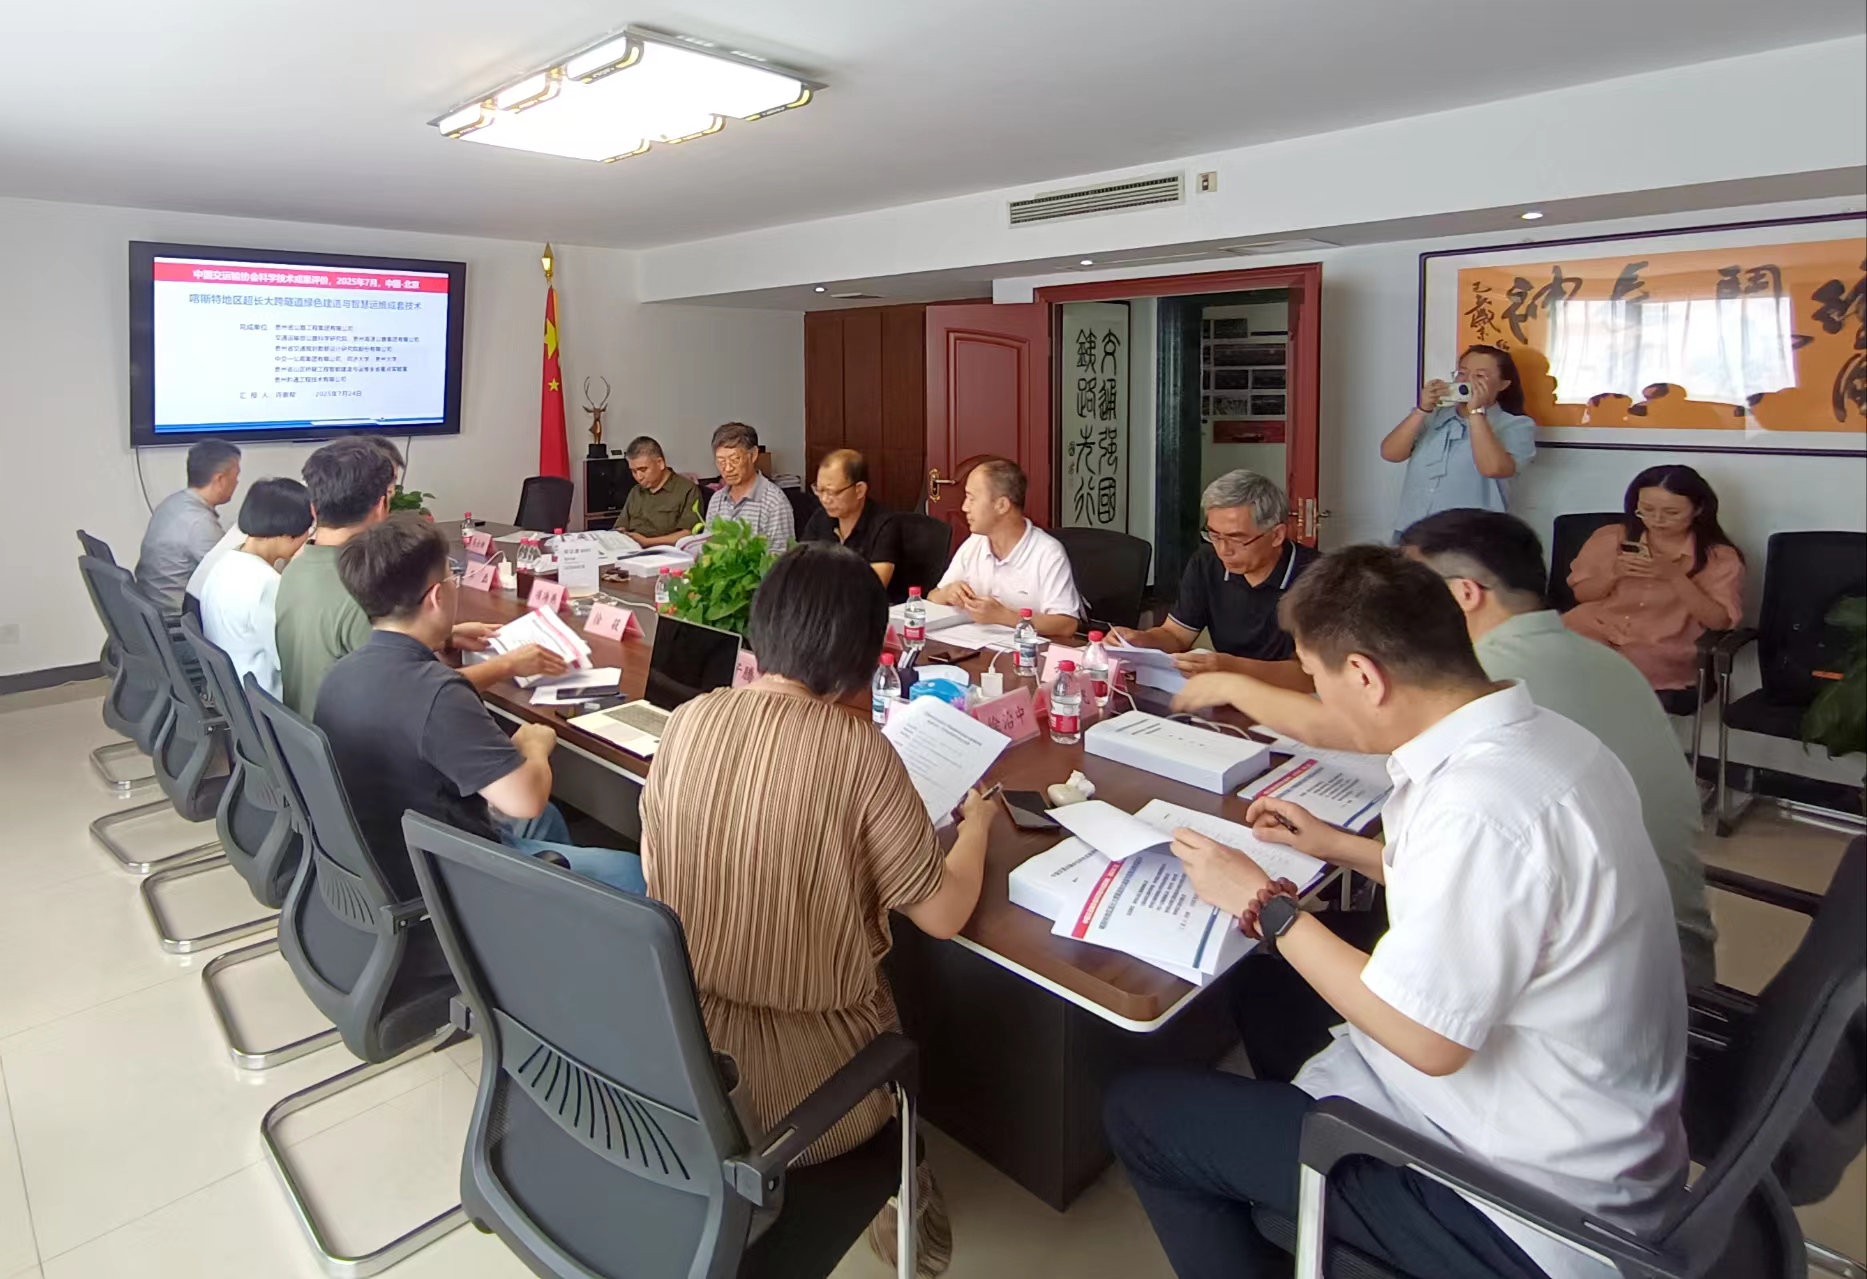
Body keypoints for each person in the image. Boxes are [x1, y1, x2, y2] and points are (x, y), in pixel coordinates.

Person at [1107, 545, 1686, 1279]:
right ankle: (1305, 1193)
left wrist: (1268, 907)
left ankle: (1326, 1195)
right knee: (1262, 983)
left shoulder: (1477, 808)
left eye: (1315, 678)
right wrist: (1334, 845)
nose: (1318, 700)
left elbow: (1427, 1040)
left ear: (1363, 676)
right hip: (1576, 1125)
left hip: (1520, 1206)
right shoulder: (1548, 741)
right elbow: (1497, 896)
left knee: (1139, 1113)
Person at [642, 543, 1000, 1278]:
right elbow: (942, 914)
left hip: (682, 1052)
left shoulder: (689, 720)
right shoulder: (858, 750)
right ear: (865, 655)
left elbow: (656, 870)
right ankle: (901, 1197)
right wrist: (979, 829)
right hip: (810, 1087)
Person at [1399, 509, 1718, 988]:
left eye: (1408, 595)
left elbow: (1347, 729)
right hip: (1669, 951)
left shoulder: (1485, 676)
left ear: (1464, 594)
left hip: (1606, 983)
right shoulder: (1608, 661)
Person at [316, 515, 645, 894]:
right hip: (445, 877)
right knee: (631, 871)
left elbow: (410, 701)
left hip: (379, 852)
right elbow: (526, 800)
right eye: (452, 578)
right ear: (437, 597)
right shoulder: (439, 695)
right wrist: (534, 747)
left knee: (547, 821)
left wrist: (446, 639)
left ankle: (557, 910)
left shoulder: (341, 674)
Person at [276, 438, 564, 714]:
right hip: (356, 741)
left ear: (313, 509)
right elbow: (414, 695)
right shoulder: (362, 591)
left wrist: (447, 638)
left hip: (310, 735)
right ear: (381, 507)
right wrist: (507, 665)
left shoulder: (293, 569)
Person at [1112, 470, 1316, 689]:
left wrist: (1230, 667)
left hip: (1293, 699)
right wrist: (1138, 641)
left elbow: (1309, 676)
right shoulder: (1207, 562)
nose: (1223, 550)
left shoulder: (1318, 578)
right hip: (1227, 692)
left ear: (1276, 535)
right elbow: (1175, 635)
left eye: (1237, 539)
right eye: (1215, 536)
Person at [1564, 464, 1744, 691]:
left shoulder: (1718, 557)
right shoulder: (1611, 536)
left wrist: (1675, 577)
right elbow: (1582, 595)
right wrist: (1613, 574)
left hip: (1659, 646)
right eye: (1646, 510)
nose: (1657, 520)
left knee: (1605, 677)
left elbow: (1719, 622)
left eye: (1672, 513)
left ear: (1698, 510)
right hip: (1596, 628)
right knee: (1549, 658)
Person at [186, 436, 404, 606]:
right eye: (389, 484)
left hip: (216, 600)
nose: (391, 492)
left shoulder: (302, 494)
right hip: (220, 605)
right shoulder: (312, 511)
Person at [1381, 344, 1536, 538]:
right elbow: (1390, 453)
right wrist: (1422, 409)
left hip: (1471, 537)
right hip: (1413, 530)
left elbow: (1494, 469)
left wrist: (1476, 412)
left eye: (1480, 376)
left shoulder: (1516, 425)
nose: (1467, 381)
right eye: (1462, 373)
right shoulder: (1434, 416)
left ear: (1503, 385)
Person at [928, 459, 1082, 639]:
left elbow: (1067, 624)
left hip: (1026, 651)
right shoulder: (975, 542)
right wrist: (948, 593)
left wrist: (1004, 616)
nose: (964, 507)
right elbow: (933, 597)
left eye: (972, 499)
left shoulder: (1047, 552)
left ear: (1002, 505)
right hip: (976, 646)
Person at [197, 478, 315, 699]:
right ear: (288, 535)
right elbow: (291, 661)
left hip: (232, 694)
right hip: (266, 701)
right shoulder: (266, 584)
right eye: (308, 531)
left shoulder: (224, 563)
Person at [135, 440, 241, 615]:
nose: (237, 482)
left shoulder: (173, 503)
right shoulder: (200, 523)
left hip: (151, 608)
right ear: (220, 479)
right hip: (175, 618)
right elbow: (231, 579)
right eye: (235, 476)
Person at [800, 449, 906, 602]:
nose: (824, 499)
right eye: (819, 490)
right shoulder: (820, 518)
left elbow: (873, 587)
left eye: (832, 492)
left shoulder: (885, 525)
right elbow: (801, 569)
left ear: (859, 490)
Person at [704, 422, 794, 550]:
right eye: (721, 461)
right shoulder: (716, 499)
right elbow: (708, 547)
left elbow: (781, 556)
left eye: (735, 459)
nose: (727, 468)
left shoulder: (774, 502)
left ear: (753, 455)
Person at [618, 435, 704, 547]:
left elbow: (688, 534)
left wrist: (647, 542)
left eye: (643, 469)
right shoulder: (636, 491)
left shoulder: (687, 490)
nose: (639, 477)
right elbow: (621, 526)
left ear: (660, 463)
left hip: (667, 552)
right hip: (631, 550)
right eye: (633, 471)